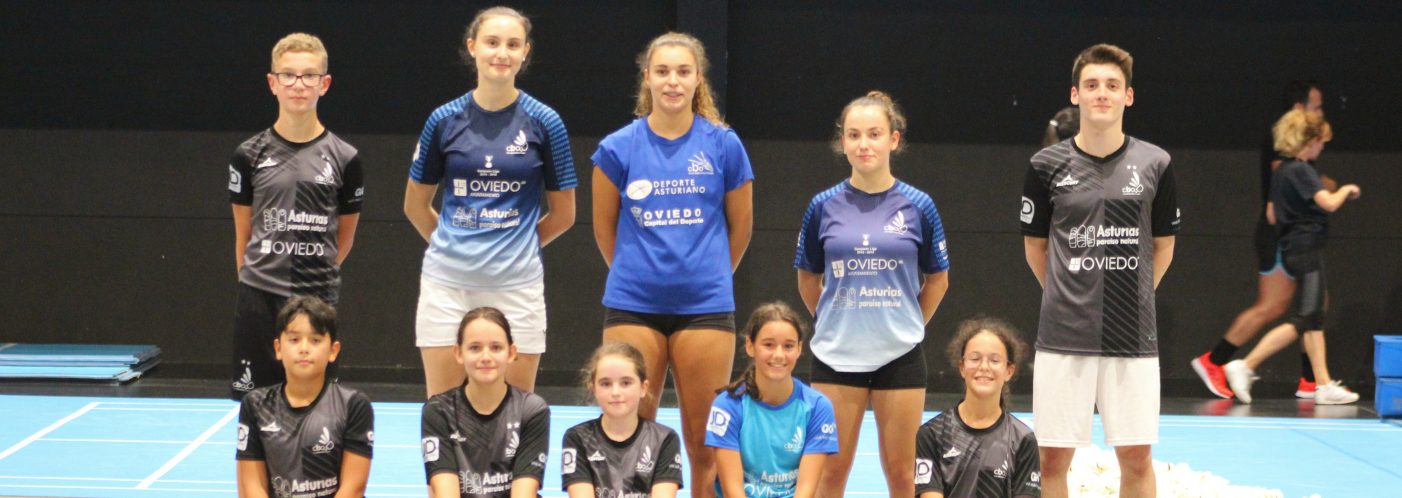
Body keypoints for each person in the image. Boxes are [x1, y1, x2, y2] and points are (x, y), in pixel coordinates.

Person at [591, 31, 754, 497]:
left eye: (683, 71)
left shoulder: (723, 144)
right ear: (647, 77)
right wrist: (639, 274)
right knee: (628, 433)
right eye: (662, 71)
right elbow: (604, 231)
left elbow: (740, 228)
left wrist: (707, 276)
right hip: (633, 305)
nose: (673, 81)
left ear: (698, 78)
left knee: (706, 443)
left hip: (705, 308)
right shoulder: (617, 147)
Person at [1021, 44, 1178, 498]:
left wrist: (1133, 297)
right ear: (1076, 95)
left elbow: (1163, 246)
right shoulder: (1046, 165)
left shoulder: (1156, 163)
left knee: (1137, 458)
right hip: (1063, 334)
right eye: (1091, 85)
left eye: (1112, 85)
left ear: (1129, 96)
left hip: (1132, 337)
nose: (1101, 93)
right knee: (1052, 460)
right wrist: (1066, 295)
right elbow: (1035, 248)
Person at [405, 6, 577, 397]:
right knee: (443, 413)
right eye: (492, 42)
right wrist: (455, 246)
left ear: (525, 52)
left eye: (513, 45)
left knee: (516, 417)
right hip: (447, 288)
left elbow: (564, 215)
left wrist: (514, 247)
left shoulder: (546, 122)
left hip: (517, 288)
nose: (502, 53)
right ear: (473, 47)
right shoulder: (443, 120)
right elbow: (415, 206)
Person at [795, 91, 950, 498]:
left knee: (902, 475)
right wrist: (835, 319)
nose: (864, 144)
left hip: (899, 358)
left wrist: (907, 324)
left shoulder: (919, 205)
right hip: (836, 357)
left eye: (874, 134)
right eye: (854, 135)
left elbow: (938, 280)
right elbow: (808, 278)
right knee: (830, 474)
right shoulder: (822, 206)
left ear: (893, 140)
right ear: (842, 141)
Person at [229, 33, 364, 401]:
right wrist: (259, 281)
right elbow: (244, 235)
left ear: (325, 84)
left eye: (309, 76)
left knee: (317, 408)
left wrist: (314, 274)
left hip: (318, 295)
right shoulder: (248, 155)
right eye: (288, 75)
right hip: (259, 298)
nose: (298, 85)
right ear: (272, 83)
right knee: (256, 406)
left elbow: (344, 237)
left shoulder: (345, 158)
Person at [1191, 81, 1327, 399]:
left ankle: (1311, 380)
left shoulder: (1298, 152)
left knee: (1314, 304)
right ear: (1299, 108)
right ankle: (1216, 361)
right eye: (1317, 106)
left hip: (1292, 235)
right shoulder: (1286, 144)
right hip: (1282, 235)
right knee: (1277, 306)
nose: (1322, 112)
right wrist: (1325, 192)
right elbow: (1283, 183)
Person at [1223, 110, 1361, 405]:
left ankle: (1323, 384)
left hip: (1291, 249)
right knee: (1305, 319)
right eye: (1320, 141)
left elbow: (1272, 214)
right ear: (1308, 140)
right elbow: (1328, 203)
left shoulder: (1282, 171)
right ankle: (1245, 365)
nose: (1322, 146)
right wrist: (1345, 190)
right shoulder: (1302, 170)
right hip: (1307, 248)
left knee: (1313, 319)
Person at [236, 296, 373, 498]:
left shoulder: (353, 405)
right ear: (278, 348)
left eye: (315, 340)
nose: (304, 348)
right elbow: (252, 488)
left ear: (333, 351)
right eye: (294, 339)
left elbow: (353, 489)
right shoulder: (256, 406)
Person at [705, 302, 838, 498]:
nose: (778, 355)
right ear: (750, 346)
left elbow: (806, 492)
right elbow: (733, 491)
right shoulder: (727, 406)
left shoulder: (818, 407)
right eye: (769, 345)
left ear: (799, 349)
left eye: (788, 346)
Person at [421, 307, 550, 497]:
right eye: (475, 348)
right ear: (458, 353)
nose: (486, 357)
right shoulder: (439, 411)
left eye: (496, 347)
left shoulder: (532, 410)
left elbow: (524, 493)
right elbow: (445, 492)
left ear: (511, 352)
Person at [915, 316, 1040, 498]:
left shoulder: (1023, 441)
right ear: (961, 367)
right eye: (975, 358)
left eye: (995, 360)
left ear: (1009, 371)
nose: (984, 366)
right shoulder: (932, 435)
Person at [561, 343, 684, 498]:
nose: (615, 392)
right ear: (594, 390)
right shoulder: (578, 438)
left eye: (626, 383)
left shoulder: (664, 439)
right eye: (606, 384)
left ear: (643, 388)